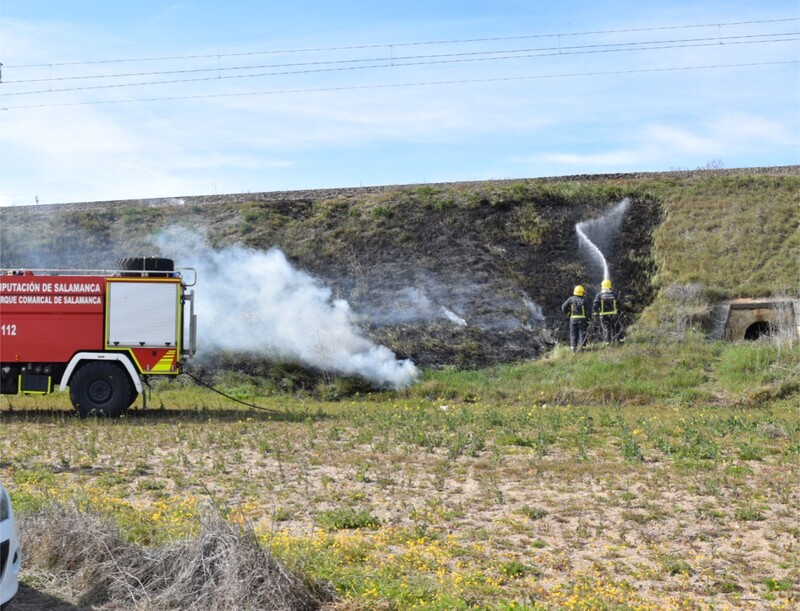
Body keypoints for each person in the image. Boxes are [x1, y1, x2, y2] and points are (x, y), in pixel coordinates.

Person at [562, 285, 589, 352]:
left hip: (573, 320)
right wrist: (587, 319)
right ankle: (582, 348)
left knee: (573, 334)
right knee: (582, 333)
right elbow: (588, 310)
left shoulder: (570, 299)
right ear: (582, 292)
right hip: (582, 320)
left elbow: (563, 307)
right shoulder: (584, 300)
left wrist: (569, 314)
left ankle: (573, 348)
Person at [593, 278, 620, 344]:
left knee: (606, 328)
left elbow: (595, 305)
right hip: (614, 314)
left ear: (602, 286)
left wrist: (596, 312)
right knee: (616, 327)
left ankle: (607, 342)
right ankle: (620, 340)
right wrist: (619, 312)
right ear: (610, 286)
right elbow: (618, 304)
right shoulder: (614, 294)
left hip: (604, 315)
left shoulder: (599, 295)